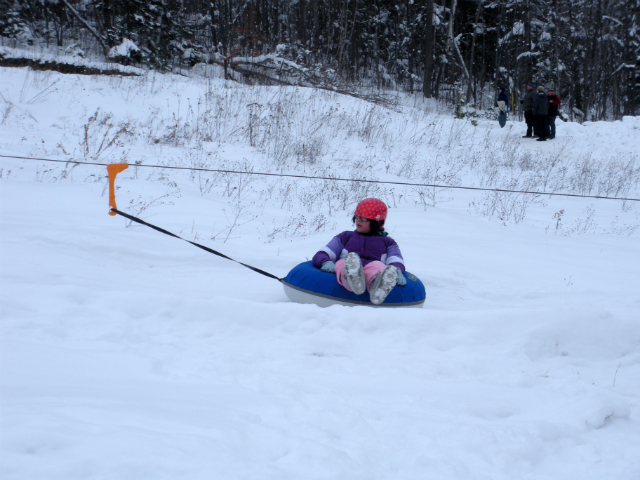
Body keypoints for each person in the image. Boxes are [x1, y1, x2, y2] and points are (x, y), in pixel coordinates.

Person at [312, 198, 406, 305]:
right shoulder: (345, 236)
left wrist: (396, 270)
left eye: (365, 218)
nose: (359, 220)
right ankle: (351, 278)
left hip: (372, 267)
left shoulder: (388, 242)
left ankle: (378, 286)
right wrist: (325, 261)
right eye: (357, 216)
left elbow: (395, 258)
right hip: (348, 264)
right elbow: (325, 251)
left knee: (378, 266)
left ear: (377, 222)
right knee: (343, 262)